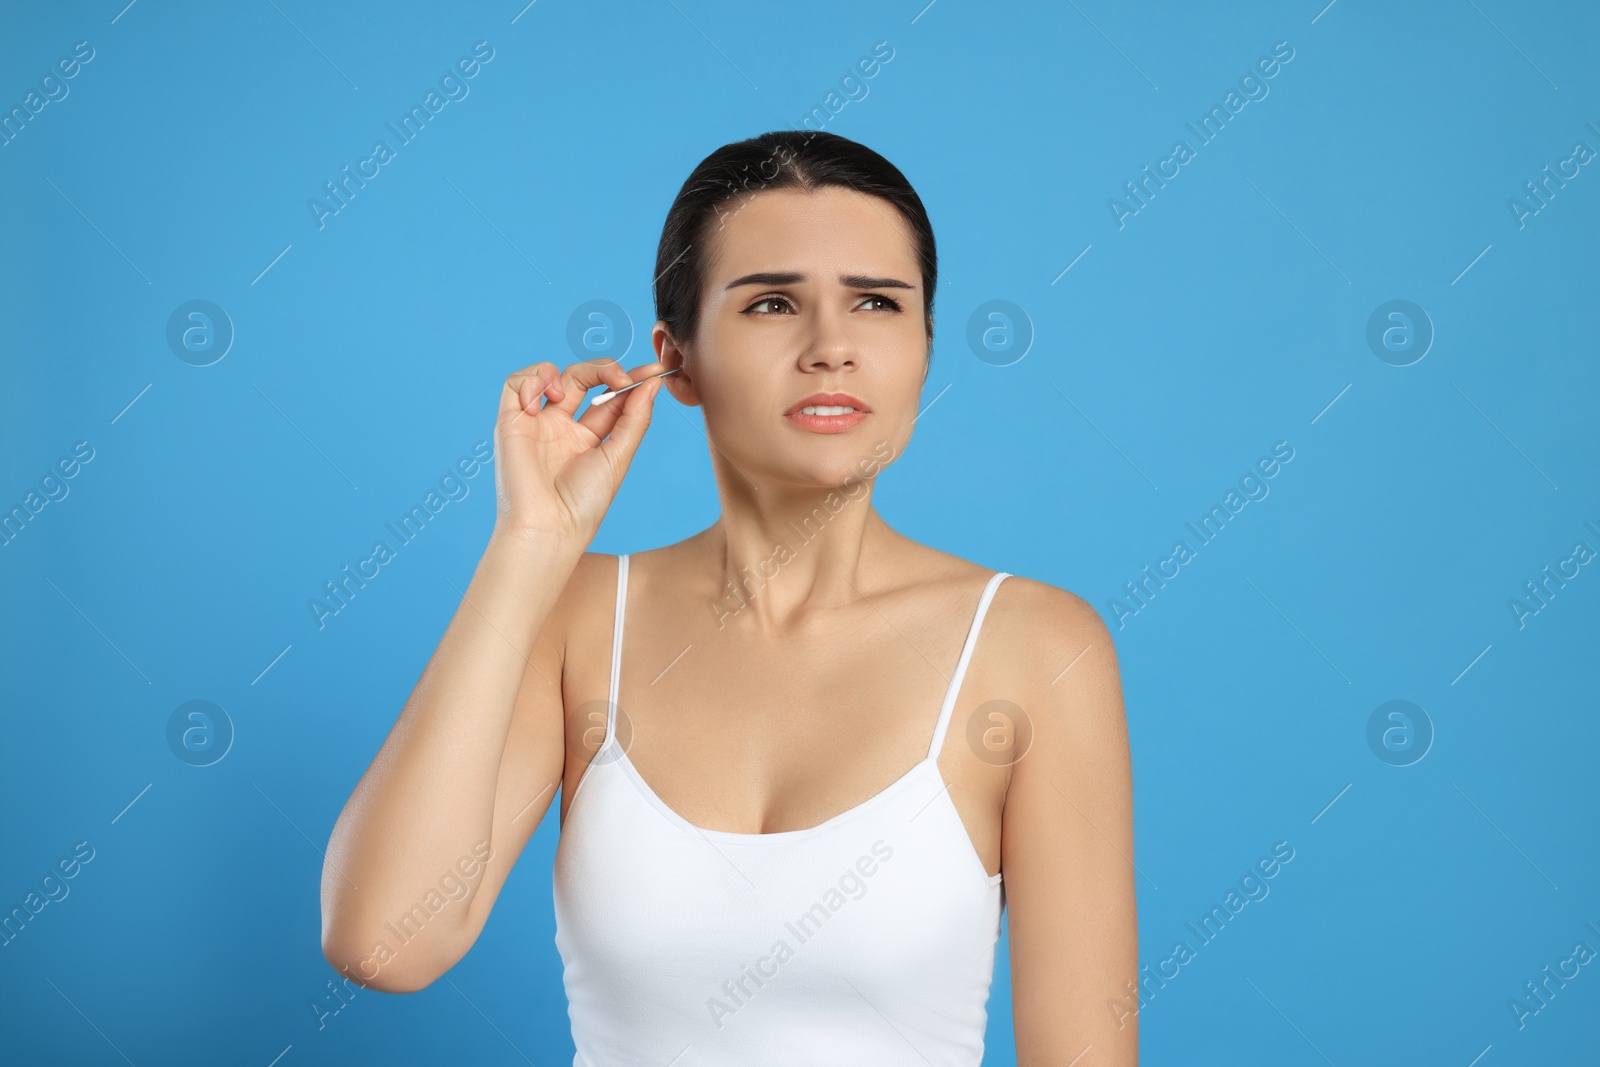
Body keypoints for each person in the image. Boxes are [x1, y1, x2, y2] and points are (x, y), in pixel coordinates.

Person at [321, 129, 1137, 1065]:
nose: (831, 347)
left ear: (922, 347)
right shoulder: (578, 617)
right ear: (678, 362)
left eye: (876, 302)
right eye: (773, 303)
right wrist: (527, 548)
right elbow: (381, 941)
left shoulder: (1036, 647)